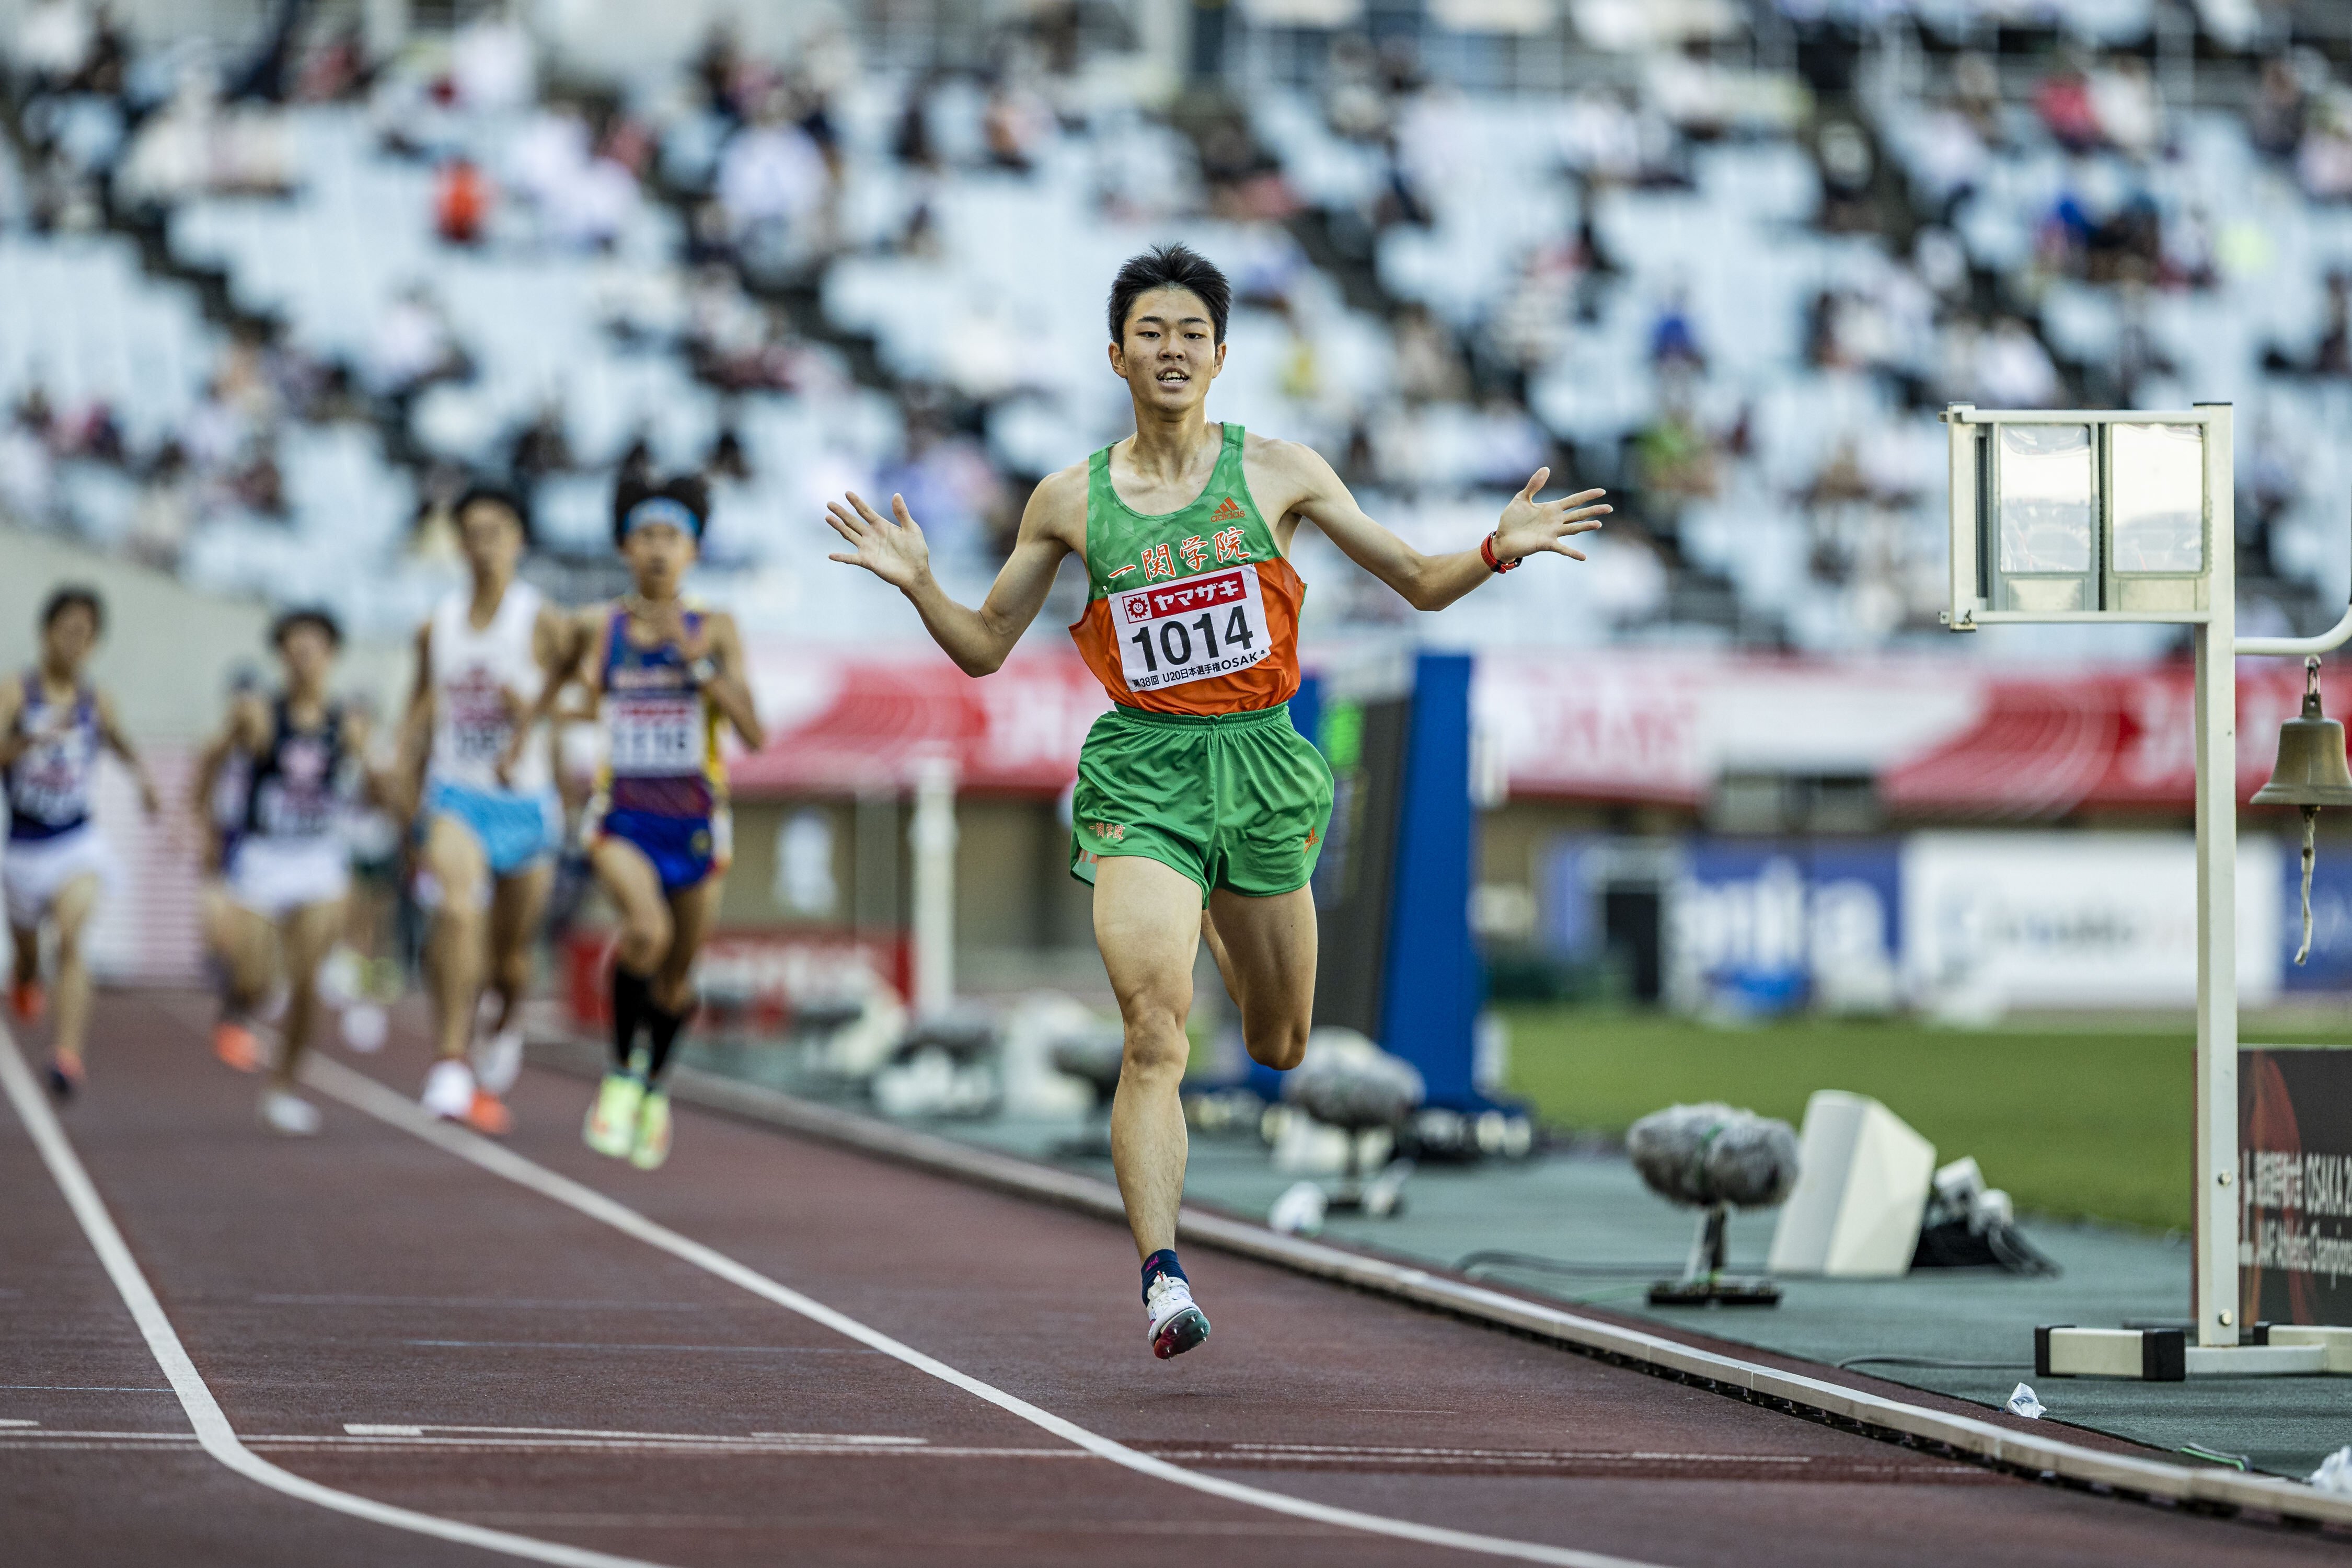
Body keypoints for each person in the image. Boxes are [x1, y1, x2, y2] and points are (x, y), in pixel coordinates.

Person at [825, 244, 1608, 1359]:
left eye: (1193, 332)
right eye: (1152, 332)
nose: (1173, 349)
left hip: (1264, 766)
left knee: (1282, 1040)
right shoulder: (1070, 500)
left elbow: (1419, 581)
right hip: (1143, 775)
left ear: (1223, 355)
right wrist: (921, 588)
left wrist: (1496, 548)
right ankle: (1161, 1276)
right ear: (1116, 355)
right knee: (1154, 1033)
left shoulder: (1283, 471)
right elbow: (987, 650)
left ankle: (1232, 933)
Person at [570, 474, 763, 1170]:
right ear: (625, 546)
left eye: (672, 537)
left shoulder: (716, 627)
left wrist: (703, 667)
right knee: (644, 934)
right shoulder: (600, 626)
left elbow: (754, 732)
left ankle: (654, 1089)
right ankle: (621, 1076)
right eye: (646, 536)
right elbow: (562, 689)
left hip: (697, 825)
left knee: (677, 979)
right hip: (622, 818)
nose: (658, 549)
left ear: (694, 550)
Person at [397, 483, 570, 1135]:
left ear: (518, 540)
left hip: (524, 804)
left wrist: (525, 711)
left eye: (497, 530)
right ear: (459, 544)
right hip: (457, 795)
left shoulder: (542, 620)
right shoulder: (436, 625)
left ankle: (503, 1017)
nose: (484, 544)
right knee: (458, 909)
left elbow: (578, 701)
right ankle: (449, 1060)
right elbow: (420, 702)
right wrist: (398, 757)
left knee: (511, 960)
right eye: (472, 532)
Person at [191, 609, 382, 1135]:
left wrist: (374, 772)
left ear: (331, 657)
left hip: (319, 860)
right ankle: (238, 1005)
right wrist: (198, 822)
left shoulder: (348, 721)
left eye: (315, 650)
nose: (305, 660)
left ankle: (283, 1088)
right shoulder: (257, 715)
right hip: (264, 857)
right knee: (253, 977)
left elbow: (376, 789)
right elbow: (210, 758)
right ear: (281, 656)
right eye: (295, 650)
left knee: (305, 985)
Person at [1, 586, 159, 1099]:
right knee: (29, 950)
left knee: (72, 938)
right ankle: (25, 976)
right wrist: (29, 742)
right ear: (46, 633)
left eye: (84, 635)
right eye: (66, 630)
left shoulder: (97, 700)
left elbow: (118, 739)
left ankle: (66, 1056)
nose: (74, 642)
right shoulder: (16, 693)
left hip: (76, 842)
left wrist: (143, 782)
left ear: (94, 644)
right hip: (23, 846)